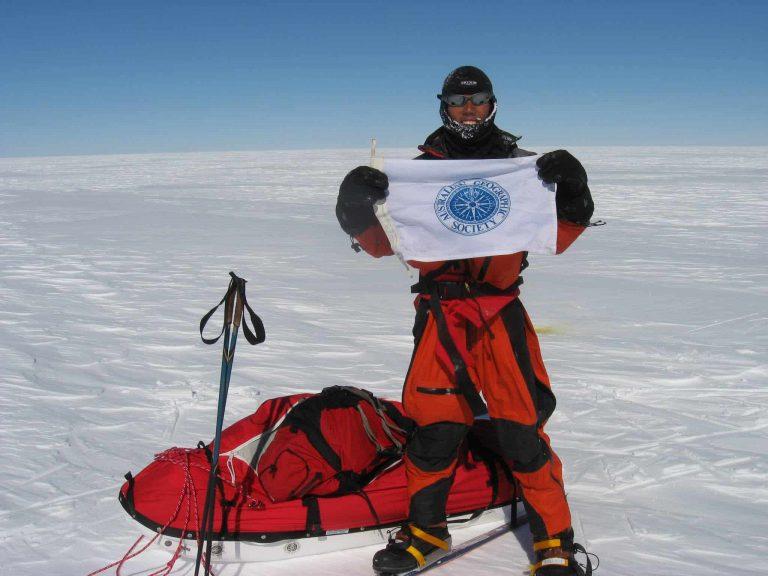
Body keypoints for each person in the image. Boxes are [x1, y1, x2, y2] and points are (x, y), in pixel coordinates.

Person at [336, 66, 594, 576]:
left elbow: (558, 236)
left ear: (493, 105)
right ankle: (427, 531)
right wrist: (353, 208)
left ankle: (555, 541)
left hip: (500, 313)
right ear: (443, 107)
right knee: (434, 429)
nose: (468, 109)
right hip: (440, 316)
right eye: (457, 101)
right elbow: (383, 244)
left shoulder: (524, 170)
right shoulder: (415, 175)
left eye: (477, 101)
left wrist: (575, 193)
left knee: (521, 430)